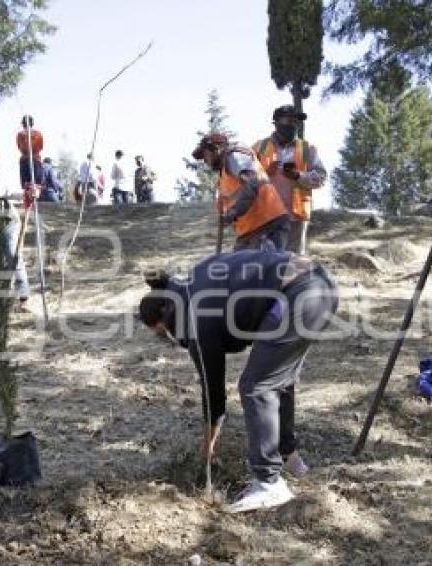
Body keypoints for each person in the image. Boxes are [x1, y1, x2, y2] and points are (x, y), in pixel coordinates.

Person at [139, 250, 338, 512]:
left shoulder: (190, 318)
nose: (171, 339)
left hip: (300, 295)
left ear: (165, 315)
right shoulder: (190, 283)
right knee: (278, 378)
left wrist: (207, 449)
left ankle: (269, 483)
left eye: (164, 333)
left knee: (255, 386)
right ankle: (289, 455)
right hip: (321, 285)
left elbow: (213, 396)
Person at [192, 132, 289, 251]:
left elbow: (251, 183)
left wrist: (234, 212)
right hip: (250, 231)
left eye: (205, 155)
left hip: (267, 225)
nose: (205, 161)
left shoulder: (235, 156)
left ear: (216, 149)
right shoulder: (224, 175)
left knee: (265, 267)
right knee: (239, 267)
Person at [253, 105, 326, 254]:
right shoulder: (258, 147)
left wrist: (299, 176)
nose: (293, 124)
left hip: (296, 217)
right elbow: (245, 180)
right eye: (289, 120)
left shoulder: (307, 148)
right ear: (277, 122)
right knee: (266, 263)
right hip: (266, 217)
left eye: (296, 121)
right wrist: (266, 172)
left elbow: (321, 177)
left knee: (294, 263)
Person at [16, 114, 44, 187]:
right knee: (30, 185)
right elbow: (22, 147)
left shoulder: (36, 134)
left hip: (33, 161)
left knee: (33, 185)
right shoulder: (21, 135)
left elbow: (21, 147)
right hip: (30, 161)